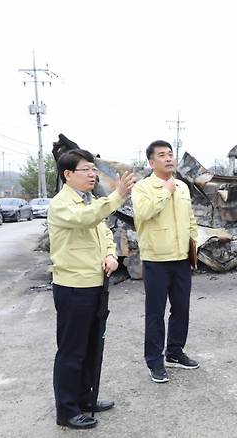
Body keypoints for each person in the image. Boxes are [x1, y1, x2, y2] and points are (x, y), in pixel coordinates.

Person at [49, 149, 135, 429]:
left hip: (96, 283)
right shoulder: (62, 204)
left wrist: (110, 254)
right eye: (85, 169)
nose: (92, 174)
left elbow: (104, 232)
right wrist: (118, 196)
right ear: (68, 175)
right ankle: (67, 410)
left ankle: (86, 398)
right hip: (73, 287)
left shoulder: (91, 201)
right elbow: (86, 219)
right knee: (72, 350)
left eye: (93, 169)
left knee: (91, 347)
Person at [132, 140, 199, 384]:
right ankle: (154, 361)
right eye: (162, 155)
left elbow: (190, 218)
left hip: (181, 258)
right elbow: (143, 213)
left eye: (171, 154)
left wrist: (194, 244)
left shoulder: (182, 186)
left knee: (181, 309)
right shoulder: (143, 188)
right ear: (151, 162)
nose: (169, 158)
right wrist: (165, 190)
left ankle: (175, 352)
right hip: (156, 259)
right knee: (155, 313)